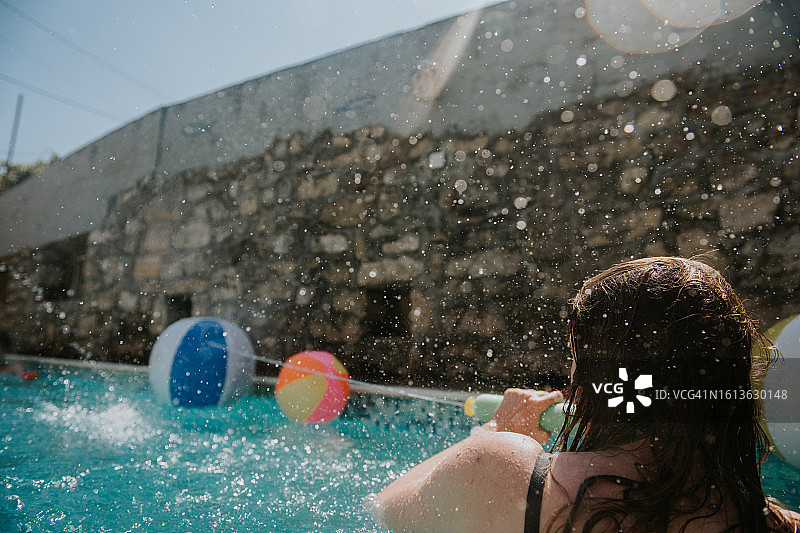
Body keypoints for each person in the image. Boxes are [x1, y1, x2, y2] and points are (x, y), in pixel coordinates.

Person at [371, 257, 800, 532]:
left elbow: (384, 508)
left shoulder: (503, 474)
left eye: (577, 359)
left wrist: (493, 433)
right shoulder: (779, 524)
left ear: (601, 379)